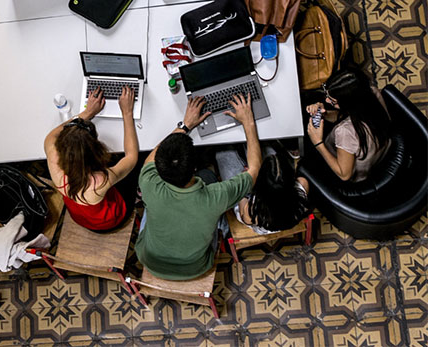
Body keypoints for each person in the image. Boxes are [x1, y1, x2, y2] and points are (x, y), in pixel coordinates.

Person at [136, 94, 261, 280]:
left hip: (150, 260)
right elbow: (255, 169)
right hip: (196, 267)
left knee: (150, 206)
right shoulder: (216, 196)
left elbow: (149, 160)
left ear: (159, 168)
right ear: (194, 168)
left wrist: (184, 125)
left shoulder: (148, 182)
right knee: (209, 176)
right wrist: (248, 122)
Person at [44, 86, 139, 232]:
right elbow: (132, 157)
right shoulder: (100, 181)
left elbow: (53, 135)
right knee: (136, 166)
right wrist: (127, 112)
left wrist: (87, 112)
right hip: (109, 220)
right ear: (96, 150)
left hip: (81, 216)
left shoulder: (52, 156)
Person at [305, 68, 391, 182]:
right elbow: (348, 116)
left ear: (348, 103)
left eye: (332, 100)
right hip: (376, 149)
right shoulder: (372, 93)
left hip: (350, 172)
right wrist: (324, 114)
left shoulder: (345, 132)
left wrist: (318, 143)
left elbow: (344, 175)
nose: (327, 100)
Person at [217, 145, 310, 234]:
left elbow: (241, 199)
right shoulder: (302, 184)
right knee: (265, 148)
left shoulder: (252, 211)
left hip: (247, 200)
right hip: (270, 207)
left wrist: (246, 179)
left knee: (224, 153)